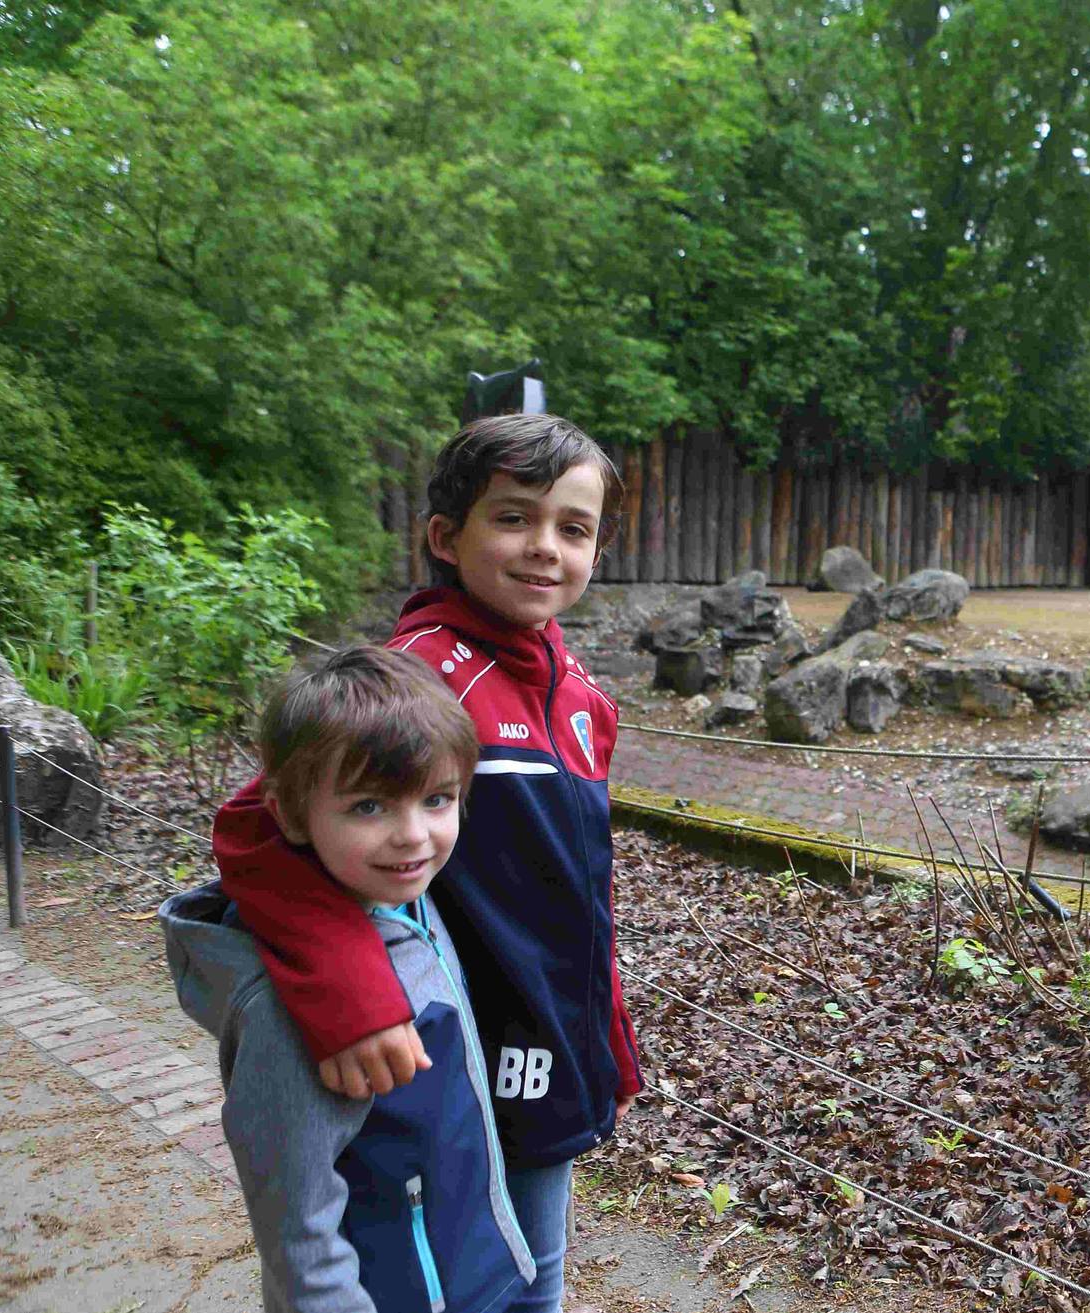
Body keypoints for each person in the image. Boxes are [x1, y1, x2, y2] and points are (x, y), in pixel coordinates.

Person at [213, 414, 643, 1313]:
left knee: (537, 1266)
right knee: (460, 1278)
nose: (544, 548)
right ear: (446, 537)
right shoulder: (414, 679)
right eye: (513, 518)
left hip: (548, 1046)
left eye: (573, 527)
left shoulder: (583, 696)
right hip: (447, 1060)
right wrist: (350, 998)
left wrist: (603, 1034)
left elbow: (570, 888)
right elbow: (258, 830)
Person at [163, 645, 535, 1312]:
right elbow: (299, 1228)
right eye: (369, 806)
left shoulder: (410, 900)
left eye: (438, 798)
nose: (412, 835)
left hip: (462, 1275)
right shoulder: (289, 1015)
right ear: (290, 812)